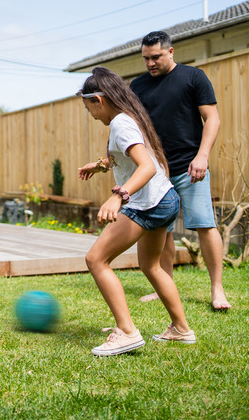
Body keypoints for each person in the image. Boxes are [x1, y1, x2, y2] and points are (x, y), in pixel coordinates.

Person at [77, 67, 195, 357]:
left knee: (96, 259)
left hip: (147, 204)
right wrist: (102, 164)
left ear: (99, 100)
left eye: (87, 106)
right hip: (165, 199)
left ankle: (127, 332)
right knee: (151, 266)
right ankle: (181, 329)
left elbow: (147, 166)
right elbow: (130, 156)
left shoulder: (121, 123)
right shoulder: (129, 118)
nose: (89, 113)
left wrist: (119, 196)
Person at [130, 31, 230, 310]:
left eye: (156, 57)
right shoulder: (138, 86)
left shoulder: (193, 77)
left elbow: (212, 118)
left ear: (171, 52)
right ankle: (165, 286)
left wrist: (202, 156)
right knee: (160, 230)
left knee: (204, 224)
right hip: (156, 170)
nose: (150, 63)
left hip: (190, 166)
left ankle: (217, 289)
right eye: (146, 58)